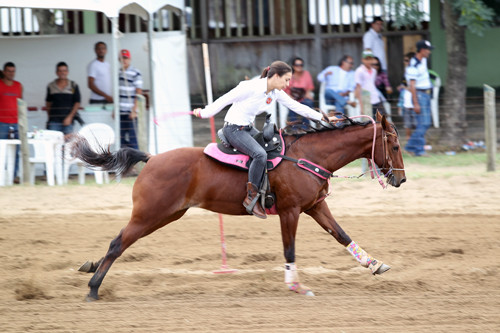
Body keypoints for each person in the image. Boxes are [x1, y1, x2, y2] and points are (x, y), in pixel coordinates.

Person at [193, 61, 324, 219]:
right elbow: (224, 99)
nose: (288, 84)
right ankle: (251, 197)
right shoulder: (249, 87)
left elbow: (296, 106)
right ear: (276, 76)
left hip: (247, 129)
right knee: (260, 154)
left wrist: (322, 117)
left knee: (273, 151)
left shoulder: (274, 92)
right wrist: (205, 113)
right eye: (286, 79)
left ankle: (267, 192)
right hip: (233, 129)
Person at [404, 40, 434, 157]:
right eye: (428, 49)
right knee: (424, 123)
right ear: (422, 50)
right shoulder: (414, 65)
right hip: (420, 95)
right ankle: (413, 147)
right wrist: (415, 103)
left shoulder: (423, 61)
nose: (429, 52)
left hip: (425, 94)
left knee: (424, 123)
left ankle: (416, 149)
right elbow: (412, 86)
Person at [0, 62, 23, 183]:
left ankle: (13, 176)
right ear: (4, 72)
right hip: (2, 123)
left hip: (15, 123)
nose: (11, 73)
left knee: (15, 152)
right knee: (1, 151)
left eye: (13, 71)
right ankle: (2, 176)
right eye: (9, 71)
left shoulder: (18, 86)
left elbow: (21, 104)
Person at [45, 62, 81, 137]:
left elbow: (77, 103)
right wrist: (50, 118)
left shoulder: (73, 85)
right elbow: (48, 103)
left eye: (64, 70)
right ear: (56, 72)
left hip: (68, 121)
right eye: (60, 71)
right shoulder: (51, 86)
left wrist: (70, 117)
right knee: (53, 142)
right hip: (54, 121)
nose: (62, 73)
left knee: (68, 144)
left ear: (67, 72)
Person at [118, 49, 143, 149]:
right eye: (122, 58)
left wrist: (134, 110)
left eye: (126, 58)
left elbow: (139, 92)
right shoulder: (119, 72)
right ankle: (125, 163)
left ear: (130, 59)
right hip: (121, 111)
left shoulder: (136, 72)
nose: (124, 60)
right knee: (121, 140)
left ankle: (136, 163)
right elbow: (118, 92)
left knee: (133, 140)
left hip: (131, 112)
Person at [283, 57, 314, 129]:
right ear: (293, 66)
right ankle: (295, 128)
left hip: (303, 96)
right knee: (292, 105)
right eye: (297, 65)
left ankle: (305, 127)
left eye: (301, 65)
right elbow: (283, 89)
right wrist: (289, 96)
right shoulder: (289, 75)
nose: (299, 66)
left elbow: (310, 87)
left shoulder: (306, 74)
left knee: (309, 103)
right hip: (291, 97)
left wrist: (308, 93)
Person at [354, 49, 384, 117]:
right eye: (366, 59)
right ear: (363, 60)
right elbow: (358, 88)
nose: (368, 61)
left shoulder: (374, 71)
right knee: (368, 121)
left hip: (375, 98)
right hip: (366, 99)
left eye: (370, 59)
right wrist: (361, 105)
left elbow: (371, 84)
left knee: (378, 121)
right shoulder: (359, 71)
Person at [397, 52, 416, 139]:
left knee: (416, 124)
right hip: (407, 102)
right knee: (407, 124)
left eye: (407, 60)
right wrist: (400, 104)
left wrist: (404, 87)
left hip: (415, 102)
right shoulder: (406, 73)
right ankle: (409, 140)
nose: (405, 63)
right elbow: (403, 89)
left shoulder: (416, 71)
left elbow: (412, 87)